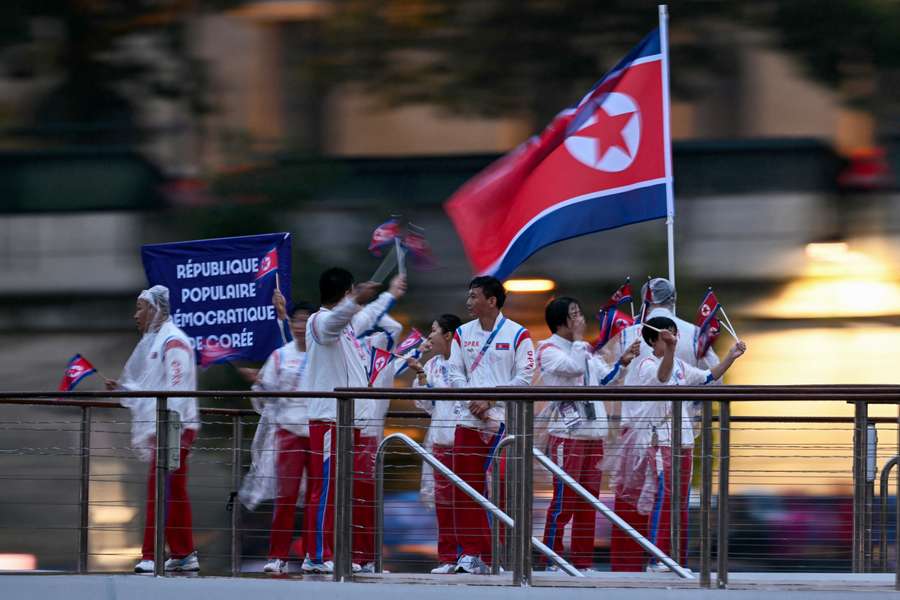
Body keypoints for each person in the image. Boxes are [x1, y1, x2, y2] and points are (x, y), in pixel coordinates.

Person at [605, 278, 720, 572]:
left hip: (634, 426)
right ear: (674, 298)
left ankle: (626, 564)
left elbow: (611, 377)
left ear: (645, 299)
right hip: (677, 428)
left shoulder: (628, 333)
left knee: (631, 498)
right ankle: (671, 558)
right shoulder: (693, 334)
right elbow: (713, 378)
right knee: (673, 499)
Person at [302, 269, 407, 574]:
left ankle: (333, 552)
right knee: (324, 489)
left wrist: (390, 294)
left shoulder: (345, 326)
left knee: (338, 491)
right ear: (345, 292)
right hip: (328, 421)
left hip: (345, 421)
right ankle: (317, 555)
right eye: (350, 295)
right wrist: (355, 301)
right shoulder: (319, 322)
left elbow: (364, 317)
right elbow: (334, 322)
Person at [535, 297, 640, 573]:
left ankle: (583, 562)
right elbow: (573, 368)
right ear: (561, 322)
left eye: (580, 312)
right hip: (566, 436)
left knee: (588, 502)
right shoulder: (547, 349)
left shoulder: (584, 351)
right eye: (574, 314)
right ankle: (552, 560)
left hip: (594, 434)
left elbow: (606, 379)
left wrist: (624, 361)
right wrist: (581, 340)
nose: (580, 318)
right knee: (563, 501)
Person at [635, 316, 746, 568]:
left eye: (674, 334)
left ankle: (677, 557)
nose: (672, 339)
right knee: (665, 499)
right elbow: (662, 379)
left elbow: (708, 377)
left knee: (681, 502)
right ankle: (657, 559)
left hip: (684, 442)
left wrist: (730, 356)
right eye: (666, 335)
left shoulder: (681, 367)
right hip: (661, 441)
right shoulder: (647, 364)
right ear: (653, 340)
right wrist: (671, 349)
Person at [105, 285, 200, 574]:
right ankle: (183, 553)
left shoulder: (173, 342)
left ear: (155, 309)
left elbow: (176, 386)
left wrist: (169, 427)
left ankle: (151, 553)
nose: (136, 315)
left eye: (140, 308)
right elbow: (151, 384)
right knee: (173, 491)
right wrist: (124, 389)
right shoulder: (158, 342)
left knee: (160, 490)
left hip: (174, 427)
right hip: (170, 425)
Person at [447, 276, 534, 574]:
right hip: (468, 421)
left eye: (474, 297)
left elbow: (525, 377)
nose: (468, 302)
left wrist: (491, 400)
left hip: (503, 426)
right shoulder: (460, 333)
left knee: (500, 490)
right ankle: (472, 553)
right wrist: (474, 400)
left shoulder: (518, 335)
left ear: (492, 301)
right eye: (469, 297)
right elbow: (453, 373)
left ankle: (502, 554)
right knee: (464, 489)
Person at [241, 300, 317, 575]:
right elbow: (264, 396)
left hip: (318, 431)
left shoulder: (325, 354)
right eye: (295, 320)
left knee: (316, 497)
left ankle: (315, 554)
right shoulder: (280, 356)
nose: (299, 326)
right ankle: (277, 556)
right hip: (288, 433)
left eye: (305, 321)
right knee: (286, 496)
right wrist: (259, 385)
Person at [406, 314, 463, 574]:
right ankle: (448, 557)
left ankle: (471, 555)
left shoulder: (467, 363)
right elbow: (426, 405)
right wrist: (419, 374)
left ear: (449, 335)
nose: (430, 336)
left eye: (434, 330)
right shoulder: (433, 365)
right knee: (444, 502)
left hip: (465, 440)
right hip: (440, 440)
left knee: (467, 501)